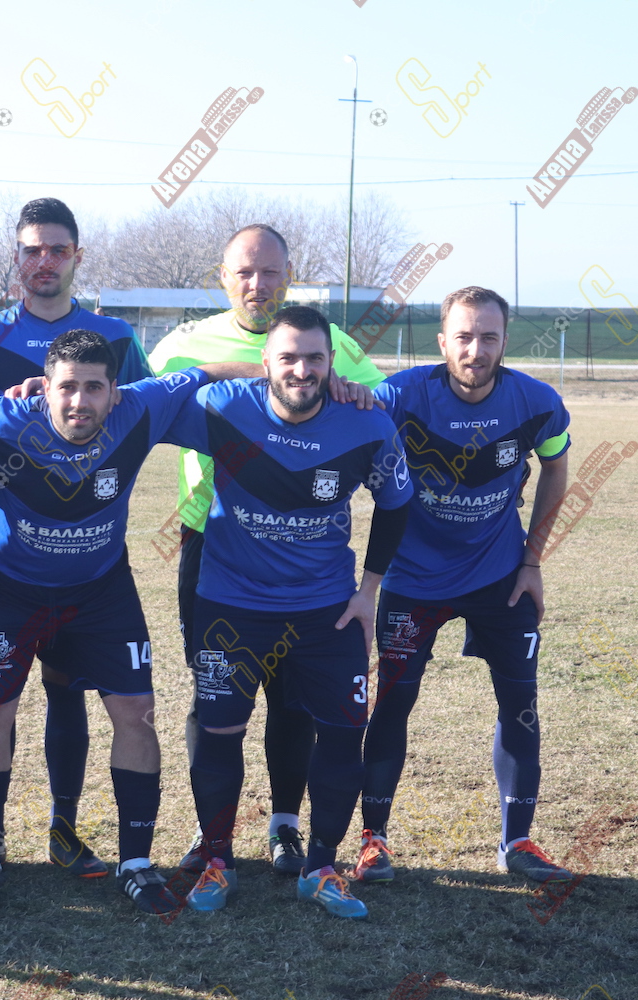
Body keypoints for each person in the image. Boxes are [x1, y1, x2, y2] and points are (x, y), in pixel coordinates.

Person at [0, 329, 238, 916]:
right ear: (44, 389)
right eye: (67, 388)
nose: (80, 401)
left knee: (136, 713)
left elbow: (207, 372)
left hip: (100, 592)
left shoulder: (139, 408)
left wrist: (296, 375)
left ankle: (136, 863)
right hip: (6, 592)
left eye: (94, 388)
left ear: (114, 391)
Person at [148, 224, 384, 877]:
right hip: (214, 539)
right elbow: (146, 399)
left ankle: (285, 824)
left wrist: (350, 386)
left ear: (289, 275)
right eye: (245, 272)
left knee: (292, 695)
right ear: (223, 277)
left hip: (303, 546)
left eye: (271, 272)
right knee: (214, 691)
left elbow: (379, 402)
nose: (258, 284)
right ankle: (211, 833)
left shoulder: (330, 343)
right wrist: (262, 370)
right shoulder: (184, 342)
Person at [176, 305, 410, 921]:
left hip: (325, 612)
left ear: (332, 363)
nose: (301, 370)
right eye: (288, 357)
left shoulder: (367, 423)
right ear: (264, 363)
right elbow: (132, 410)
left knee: (343, 732)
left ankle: (321, 868)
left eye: (314, 358)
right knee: (219, 731)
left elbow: (396, 504)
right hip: (230, 606)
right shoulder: (222, 407)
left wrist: (368, 591)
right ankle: (219, 860)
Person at [0, 197, 153, 879]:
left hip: (91, 561)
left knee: (70, 692)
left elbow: (147, 408)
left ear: (77, 257)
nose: (44, 261)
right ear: (16, 256)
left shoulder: (114, 337)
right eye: (32, 249)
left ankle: (65, 830)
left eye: (57, 249)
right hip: (4, 557)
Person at [351, 286, 573, 887]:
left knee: (520, 705)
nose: (476, 351)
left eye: (489, 337)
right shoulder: (400, 396)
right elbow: (344, 432)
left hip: (500, 579)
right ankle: (373, 841)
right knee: (393, 703)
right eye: (465, 337)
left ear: (505, 341)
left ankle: (517, 842)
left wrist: (532, 562)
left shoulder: (537, 403)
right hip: (412, 581)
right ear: (442, 341)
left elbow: (556, 467)